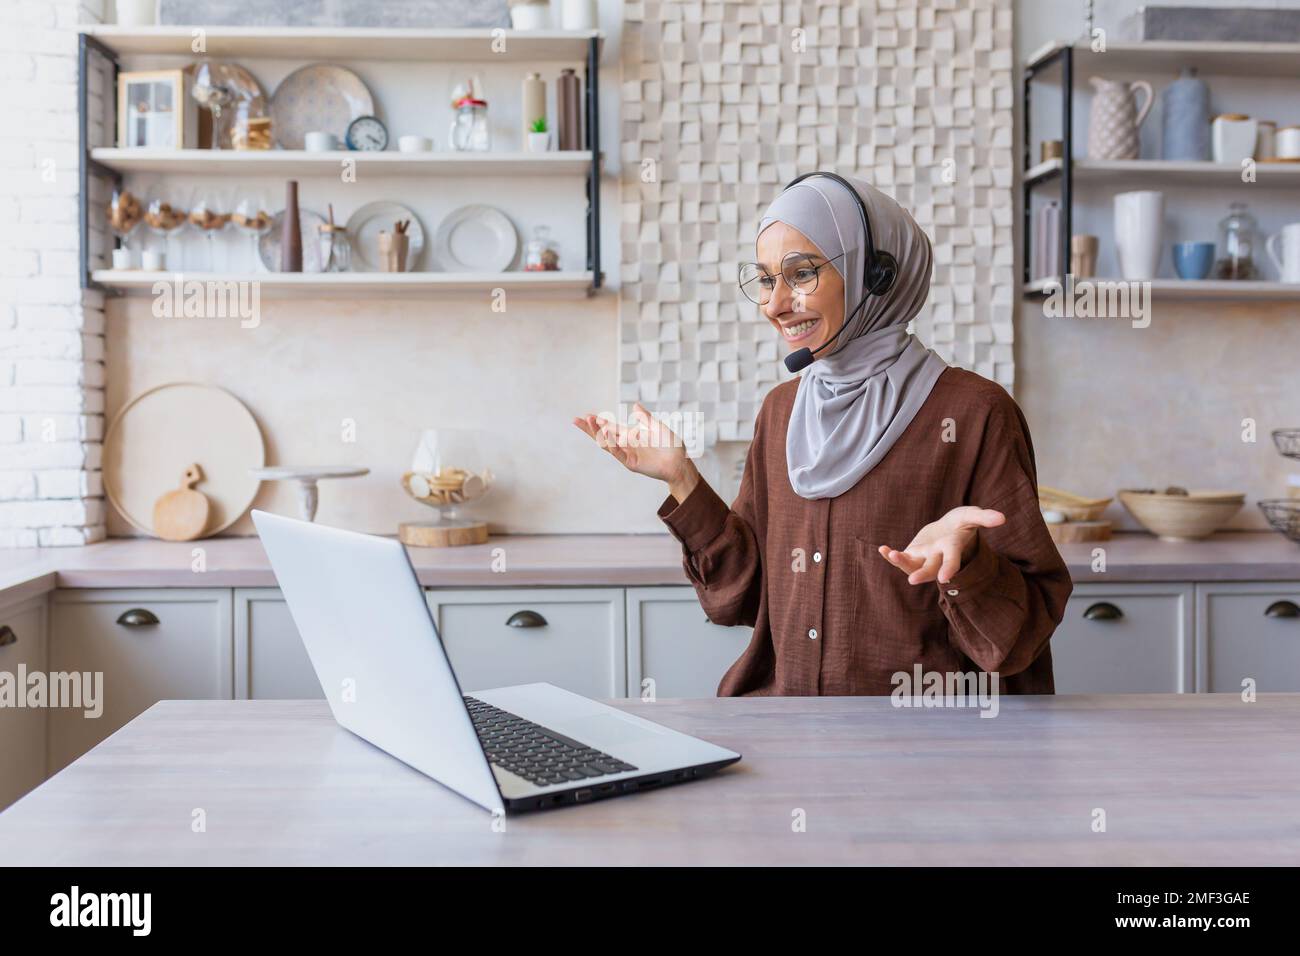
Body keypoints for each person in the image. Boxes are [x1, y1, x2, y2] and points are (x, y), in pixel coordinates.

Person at [575, 172, 1072, 695]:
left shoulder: (976, 413)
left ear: (876, 276)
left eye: (802, 274)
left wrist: (968, 564)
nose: (774, 304)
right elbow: (743, 599)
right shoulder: (782, 410)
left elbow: (1021, 639)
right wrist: (681, 480)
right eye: (766, 280)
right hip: (790, 731)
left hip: (932, 750)